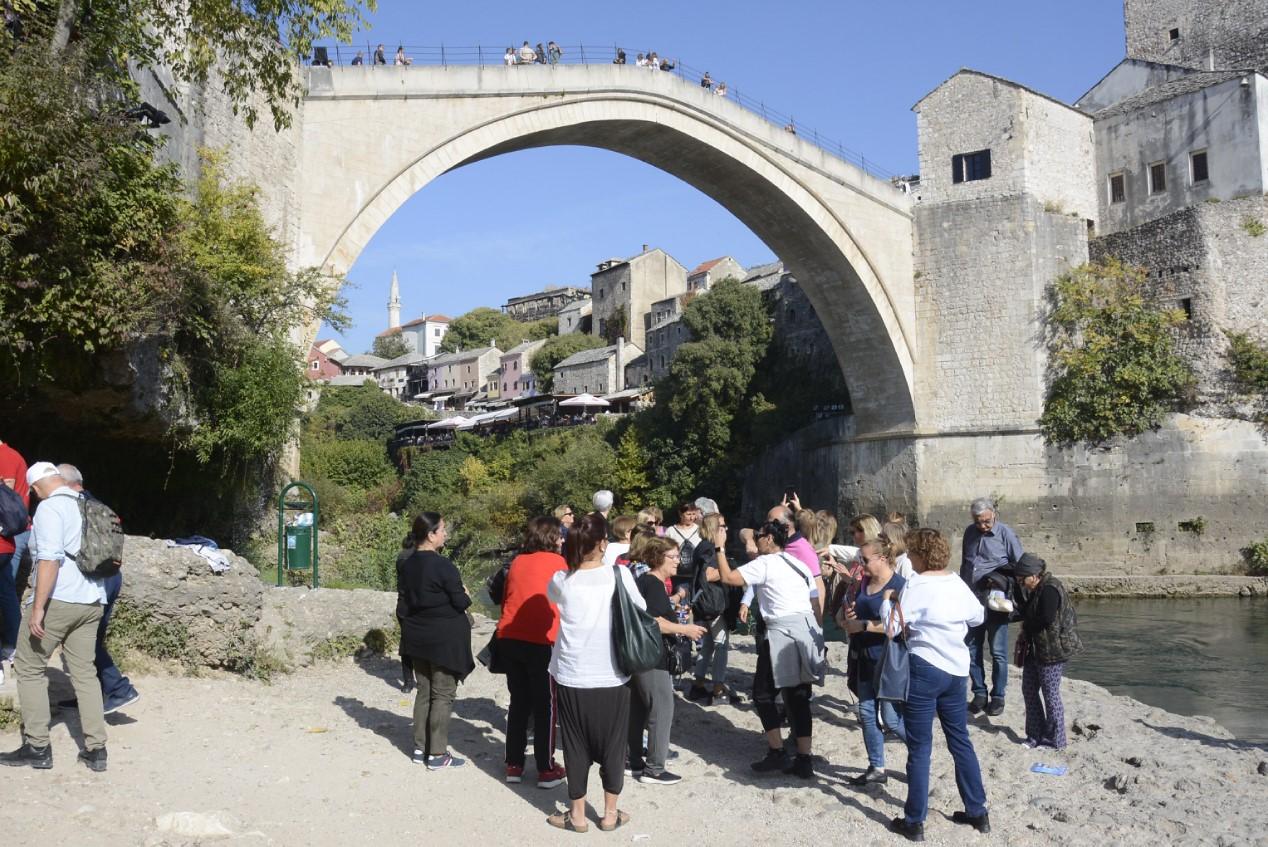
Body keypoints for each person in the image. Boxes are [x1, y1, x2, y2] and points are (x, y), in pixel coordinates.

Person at [0, 462, 108, 772]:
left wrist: (38, 608)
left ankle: (37, 746)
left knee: (29, 666)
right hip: (92, 599)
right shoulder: (86, 503)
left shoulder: (49, 509)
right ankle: (96, 749)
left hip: (60, 600)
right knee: (85, 673)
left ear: (34, 488)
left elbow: (49, 559)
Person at [888, 528, 990, 842]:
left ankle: (915, 820)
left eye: (910, 553)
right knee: (960, 739)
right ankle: (977, 811)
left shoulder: (915, 585)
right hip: (956, 670)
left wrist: (889, 602)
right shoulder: (956, 581)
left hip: (925, 667)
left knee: (920, 748)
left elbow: (892, 628)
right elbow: (977, 617)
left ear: (919, 555)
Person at [546, 514, 643, 832]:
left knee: (574, 744)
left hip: (572, 673)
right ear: (604, 544)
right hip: (613, 673)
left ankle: (576, 817)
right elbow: (641, 610)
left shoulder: (562, 579)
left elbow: (553, 600)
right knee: (615, 744)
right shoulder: (620, 576)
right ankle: (610, 814)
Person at [716, 520, 824, 779]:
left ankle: (777, 752)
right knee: (798, 696)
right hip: (805, 629)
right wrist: (818, 638)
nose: (755, 539)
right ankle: (804, 757)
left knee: (763, 694)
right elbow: (814, 601)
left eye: (759, 536)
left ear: (769, 540)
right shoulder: (799, 564)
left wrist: (720, 549)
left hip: (781, 632)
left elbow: (728, 577)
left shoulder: (765, 563)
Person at [54, 465, 139, 715]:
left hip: (91, 580)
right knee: (91, 639)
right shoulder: (99, 505)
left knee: (84, 639)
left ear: (63, 482)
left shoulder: (72, 507)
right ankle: (90, 694)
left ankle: (119, 689)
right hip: (111, 576)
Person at [397, 512, 474, 769]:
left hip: (417, 635)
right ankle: (438, 753)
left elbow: (406, 600)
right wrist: (464, 593)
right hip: (443, 639)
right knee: (442, 694)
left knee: (424, 691)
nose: (446, 534)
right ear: (431, 535)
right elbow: (461, 602)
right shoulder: (444, 566)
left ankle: (420, 748)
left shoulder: (406, 564)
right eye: (442, 530)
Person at [628, 537, 705, 784]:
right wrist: (685, 630)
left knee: (639, 709)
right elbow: (653, 622)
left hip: (643, 656)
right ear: (659, 557)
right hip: (652, 657)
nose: (678, 561)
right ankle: (655, 769)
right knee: (662, 710)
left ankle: (635, 761)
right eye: (673, 556)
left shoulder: (651, 582)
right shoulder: (651, 583)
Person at [498, 517, 568, 787]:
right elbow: (567, 603)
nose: (563, 540)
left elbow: (507, 598)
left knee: (519, 701)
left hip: (510, 636)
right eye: (559, 536)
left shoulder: (517, 562)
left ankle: (513, 764)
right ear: (550, 538)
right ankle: (546, 768)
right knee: (546, 705)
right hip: (541, 640)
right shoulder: (558, 564)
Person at [839, 537, 906, 785]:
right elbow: (851, 612)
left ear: (882, 559)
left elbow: (901, 625)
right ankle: (877, 767)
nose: (861, 564)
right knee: (867, 713)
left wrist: (864, 625)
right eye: (860, 559)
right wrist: (847, 618)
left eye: (865, 560)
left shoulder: (900, 585)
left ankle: (920, 751)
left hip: (888, 660)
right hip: (863, 656)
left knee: (891, 719)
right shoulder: (864, 581)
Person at [960, 498, 1024, 716]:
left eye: (986, 521)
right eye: (978, 522)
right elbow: (965, 563)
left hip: (997, 600)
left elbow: (1020, 565)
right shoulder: (969, 533)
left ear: (994, 514)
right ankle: (979, 692)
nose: (983, 526)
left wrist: (999, 578)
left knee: (998, 652)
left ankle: (998, 696)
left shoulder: (1006, 534)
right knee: (971, 648)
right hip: (972, 598)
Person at [1014, 553, 1079, 750]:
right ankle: (1035, 735)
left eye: (1022, 579)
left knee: (1051, 696)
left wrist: (1025, 626)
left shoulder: (1050, 588)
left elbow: (1046, 618)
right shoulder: (1037, 588)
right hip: (1036, 650)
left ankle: (1056, 740)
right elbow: (1028, 611)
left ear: (1034, 575)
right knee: (1029, 690)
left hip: (1052, 652)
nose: (1022, 584)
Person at [686, 512, 740, 705]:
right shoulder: (712, 549)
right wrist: (731, 570)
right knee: (720, 645)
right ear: (713, 529)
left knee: (708, 645)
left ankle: (698, 685)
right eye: (722, 526)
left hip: (704, 603)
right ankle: (718, 689)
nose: (726, 529)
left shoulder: (701, 547)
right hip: (714, 604)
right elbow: (709, 575)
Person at [0, 436, 30, 679]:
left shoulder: (5, 457)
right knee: (5, 590)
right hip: (11, 537)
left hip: (9, 535)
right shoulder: (12, 454)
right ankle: (12, 646)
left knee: (5, 590)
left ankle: (12, 646)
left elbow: (5, 492)